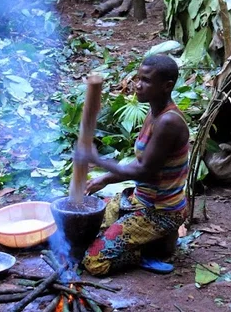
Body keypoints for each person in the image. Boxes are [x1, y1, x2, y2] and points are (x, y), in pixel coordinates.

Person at [77, 55, 190, 276]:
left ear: (167, 86)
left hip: (160, 211)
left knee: (93, 262)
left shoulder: (169, 122)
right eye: (138, 78)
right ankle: (157, 241)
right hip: (141, 199)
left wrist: (97, 159)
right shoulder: (153, 111)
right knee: (89, 224)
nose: (137, 85)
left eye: (146, 80)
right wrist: (104, 179)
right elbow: (141, 161)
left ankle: (147, 250)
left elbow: (144, 171)